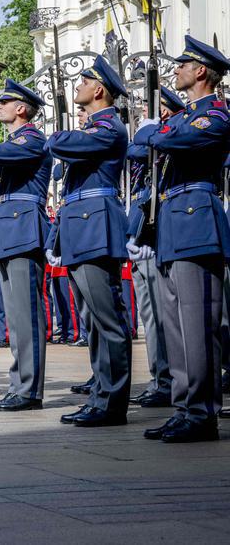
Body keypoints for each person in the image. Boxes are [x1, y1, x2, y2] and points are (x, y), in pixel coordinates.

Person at [132, 35, 230, 443]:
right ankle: (184, 406)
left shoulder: (215, 115)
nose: (177, 71)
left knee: (197, 324)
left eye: (184, 66)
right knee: (175, 325)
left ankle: (203, 413)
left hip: (197, 221)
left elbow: (176, 140)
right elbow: (139, 147)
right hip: (173, 223)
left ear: (201, 71)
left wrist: (156, 133)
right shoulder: (185, 115)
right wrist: (154, 133)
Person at [47, 55, 132, 428]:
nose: (77, 86)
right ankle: (100, 394)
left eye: (83, 82)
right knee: (94, 321)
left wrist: (65, 135)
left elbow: (61, 144)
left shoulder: (108, 126)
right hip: (81, 227)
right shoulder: (92, 128)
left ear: (99, 90)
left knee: (107, 319)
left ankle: (112, 403)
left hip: (96, 226)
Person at [0, 79, 52, 412]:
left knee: (26, 316)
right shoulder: (11, 141)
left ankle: (30, 389)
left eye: (4, 102)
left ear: (21, 109)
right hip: (8, 229)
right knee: (15, 318)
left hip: (23, 229)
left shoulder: (31, 139)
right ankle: (19, 383)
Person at [126, 87, 183, 409]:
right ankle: (160, 377)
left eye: (160, 108)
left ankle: (171, 380)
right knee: (151, 314)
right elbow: (134, 154)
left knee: (165, 317)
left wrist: (150, 130)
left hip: (162, 233)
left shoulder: (171, 135)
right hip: (143, 236)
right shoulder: (153, 141)